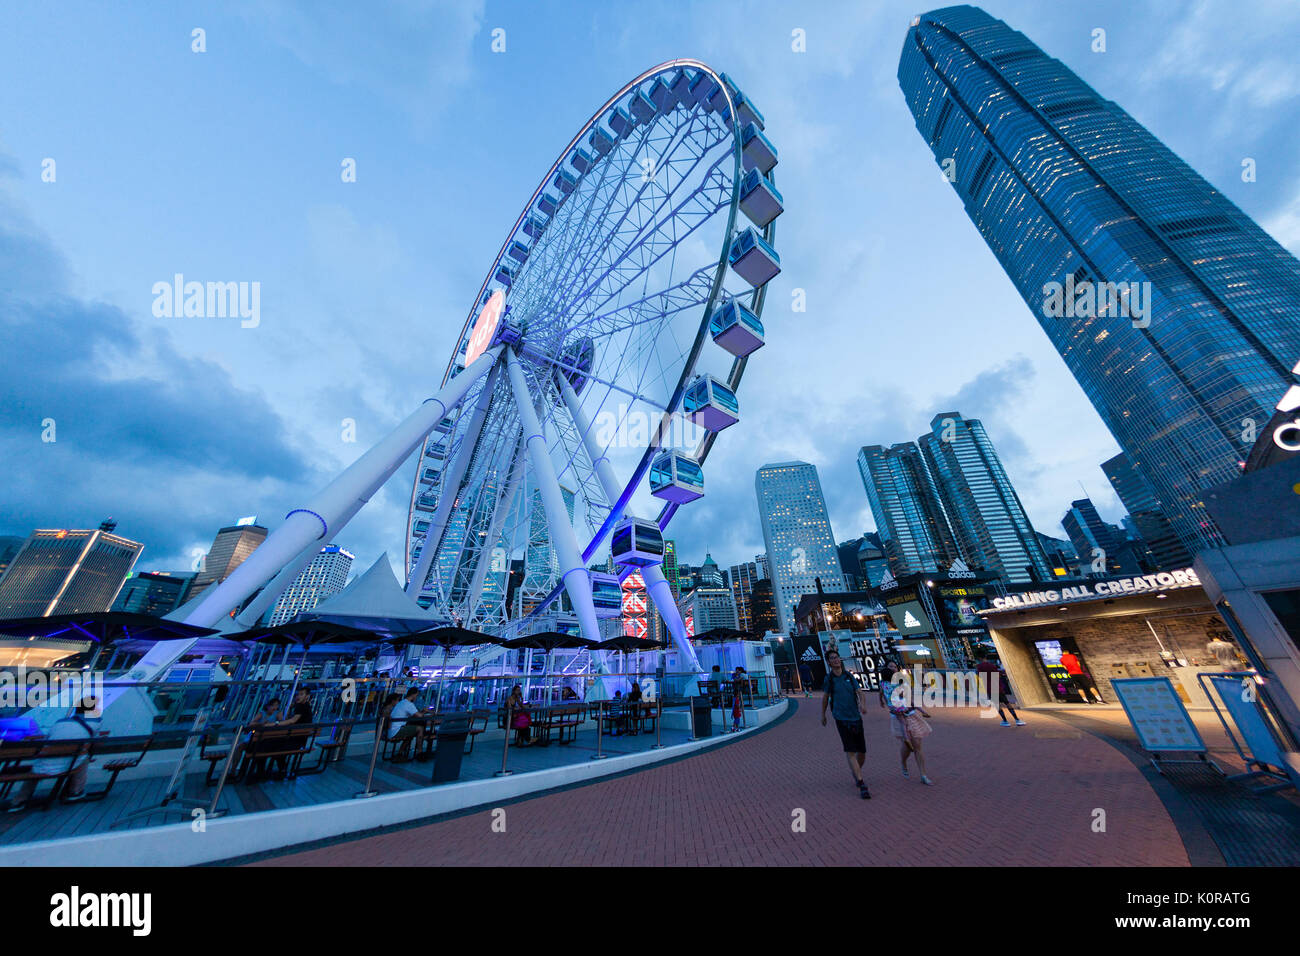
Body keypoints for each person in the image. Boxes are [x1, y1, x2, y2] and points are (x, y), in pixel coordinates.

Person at [3, 697, 99, 811]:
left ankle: (19, 800)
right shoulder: (95, 724)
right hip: (69, 765)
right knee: (84, 757)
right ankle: (75, 791)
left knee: (35, 770)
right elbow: (94, 743)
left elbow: (47, 739)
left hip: (43, 765)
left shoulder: (60, 722)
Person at [820, 649, 870, 799]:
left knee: (862, 752)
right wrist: (823, 715)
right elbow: (825, 697)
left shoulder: (849, 676)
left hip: (855, 716)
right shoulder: (829, 679)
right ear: (829, 662)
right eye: (832, 658)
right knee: (850, 751)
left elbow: (860, 692)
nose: (835, 660)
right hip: (841, 718)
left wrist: (863, 704)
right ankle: (861, 783)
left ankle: (856, 771)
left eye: (836, 657)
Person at [889, 694, 935, 786]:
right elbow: (889, 704)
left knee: (917, 746)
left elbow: (910, 700)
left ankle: (923, 775)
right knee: (907, 746)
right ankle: (903, 762)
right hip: (899, 719)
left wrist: (922, 711)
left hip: (912, 716)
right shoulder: (887, 688)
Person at [976, 650, 1025, 726]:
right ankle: (1017, 719)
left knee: (997, 705)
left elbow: (980, 676)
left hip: (989, 688)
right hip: (998, 686)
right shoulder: (992, 665)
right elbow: (998, 675)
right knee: (1007, 702)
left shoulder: (979, 667)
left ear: (979, 658)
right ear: (985, 656)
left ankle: (1005, 721)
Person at [386, 686, 428, 760]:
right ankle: (420, 753)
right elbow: (419, 716)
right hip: (396, 731)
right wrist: (425, 711)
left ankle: (400, 752)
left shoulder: (402, 702)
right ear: (414, 694)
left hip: (391, 730)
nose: (417, 697)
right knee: (420, 729)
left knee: (411, 732)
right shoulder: (408, 704)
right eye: (417, 695)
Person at [730, 666, 747, 732]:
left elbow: (738, 680)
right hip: (737, 689)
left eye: (738, 670)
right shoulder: (734, 675)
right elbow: (735, 680)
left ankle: (734, 727)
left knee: (737, 718)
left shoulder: (742, 675)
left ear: (740, 671)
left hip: (739, 689)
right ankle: (735, 727)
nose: (737, 671)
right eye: (736, 670)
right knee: (737, 718)